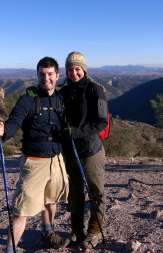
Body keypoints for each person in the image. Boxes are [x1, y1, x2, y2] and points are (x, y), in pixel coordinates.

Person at [0, 56, 69, 253]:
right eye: (42, 74)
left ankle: (48, 234)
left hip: (57, 159)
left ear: (57, 76)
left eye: (50, 74)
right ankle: (10, 250)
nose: (46, 78)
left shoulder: (60, 99)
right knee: (21, 211)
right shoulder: (27, 100)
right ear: (37, 75)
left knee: (51, 200)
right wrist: (3, 131)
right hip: (34, 162)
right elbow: (15, 121)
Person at [59, 51, 108, 249]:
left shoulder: (96, 91)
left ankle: (94, 231)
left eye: (77, 69)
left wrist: (76, 131)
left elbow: (101, 122)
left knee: (96, 192)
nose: (73, 73)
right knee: (75, 192)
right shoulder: (62, 91)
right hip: (70, 151)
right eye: (70, 69)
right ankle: (76, 230)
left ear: (84, 70)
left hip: (91, 151)